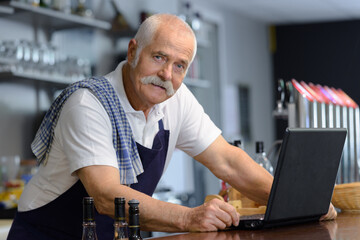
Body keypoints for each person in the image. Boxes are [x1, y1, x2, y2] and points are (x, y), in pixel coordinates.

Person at [7, 13, 336, 239]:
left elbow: (227, 160)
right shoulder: (88, 103)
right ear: (133, 51)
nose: (167, 74)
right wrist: (189, 218)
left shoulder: (176, 99)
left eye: (179, 66)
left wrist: (300, 203)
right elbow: (107, 197)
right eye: (159, 57)